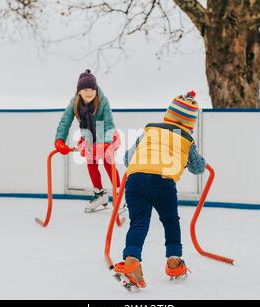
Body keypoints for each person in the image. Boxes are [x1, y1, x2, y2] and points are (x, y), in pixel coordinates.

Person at [114, 91, 206, 288]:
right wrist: (202, 160)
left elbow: (127, 159)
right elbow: (197, 168)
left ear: (168, 114)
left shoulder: (150, 130)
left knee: (138, 222)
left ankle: (131, 259)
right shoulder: (187, 139)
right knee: (170, 221)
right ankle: (174, 262)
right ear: (190, 123)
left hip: (135, 179)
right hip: (163, 182)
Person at [54, 70, 121, 213]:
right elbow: (65, 121)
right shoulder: (75, 103)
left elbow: (109, 123)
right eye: (85, 89)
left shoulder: (102, 101)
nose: (89, 93)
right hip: (89, 136)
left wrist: (106, 142)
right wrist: (60, 140)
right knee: (91, 163)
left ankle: (119, 194)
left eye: (92, 89)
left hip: (104, 134)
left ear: (96, 90)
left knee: (108, 162)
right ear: (79, 91)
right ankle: (100, 195)